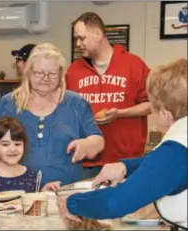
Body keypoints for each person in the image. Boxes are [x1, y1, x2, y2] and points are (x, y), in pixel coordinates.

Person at [58, 58, 187, 230]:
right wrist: (125, 166)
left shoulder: (175, 151)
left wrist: (71, 203)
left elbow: (115, 202)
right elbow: (167, 165)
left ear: (164, 113)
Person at [0, 43, 104, 186]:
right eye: (39, 73)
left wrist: (87, 144)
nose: (46, 78)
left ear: (61, 74)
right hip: (17, 192)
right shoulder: (6, 104)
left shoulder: (76, 103)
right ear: (28, 72)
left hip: (65, 191)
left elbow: (98, 140)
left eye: (52, 74)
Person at [65, 12, 151, 179]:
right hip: (88, 162)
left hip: (126, 162)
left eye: (82, 38)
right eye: (76, 39)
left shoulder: (133, 64)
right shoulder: (73, 71)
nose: (78, 44)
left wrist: (120, 113)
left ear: (98, 34)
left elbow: (152, 104)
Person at [0, 116, 62, 192]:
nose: (12, 149)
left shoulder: (32, 176)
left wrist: (44, 192)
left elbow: (33, 200)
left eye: (17, 144)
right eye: (5, 144)